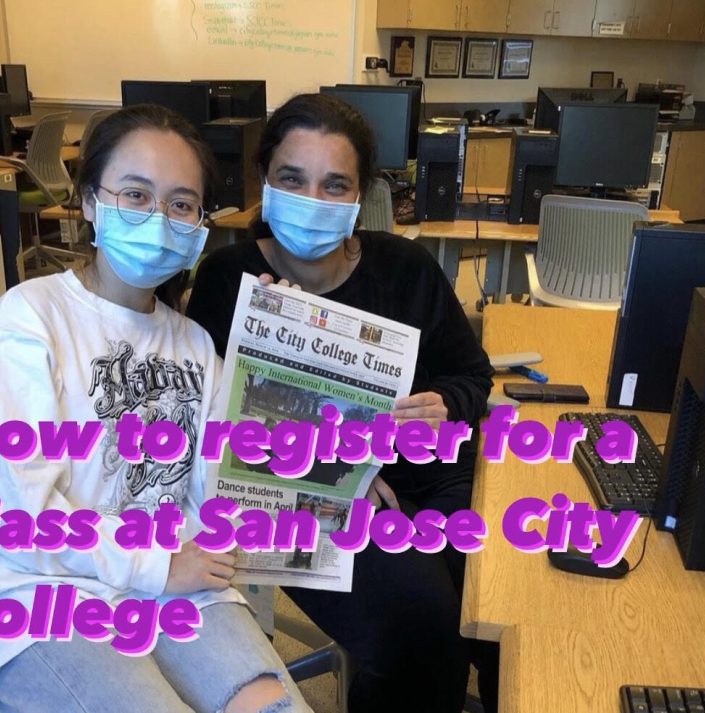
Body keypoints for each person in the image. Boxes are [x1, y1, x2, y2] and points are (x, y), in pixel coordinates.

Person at [0, 105, 311, 713]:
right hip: (33, 588)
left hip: (171, 578)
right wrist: (158, 567)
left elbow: (219, 500)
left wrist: (267, 370)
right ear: (88, 201)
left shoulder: (193, 344)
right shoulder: (32, 317)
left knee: (271, 706)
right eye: (136, 194)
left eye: (182, 204)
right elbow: (14, 516)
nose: (159, 219)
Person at [186, 93, 499, 713]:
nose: (312, 201)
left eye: (335, 185)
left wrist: (445, 403)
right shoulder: (230, 280)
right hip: (315, 502)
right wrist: (265, 345)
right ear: (264, 184)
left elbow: (474, 375)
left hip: (431, 477)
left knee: (497, 603)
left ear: (360, 198)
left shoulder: (405, 267)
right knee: (426, 622)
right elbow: (210, 427)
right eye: (292, 180)